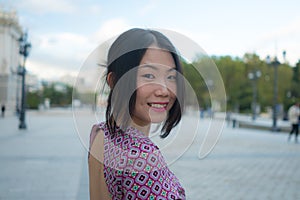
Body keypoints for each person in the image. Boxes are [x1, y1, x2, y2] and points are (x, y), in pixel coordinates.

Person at [88, 28, 186, 199]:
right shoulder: (143, 157)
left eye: (171, 77)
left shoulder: (100, 132)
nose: (164, 90)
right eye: (149, 75)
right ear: (114, 81)